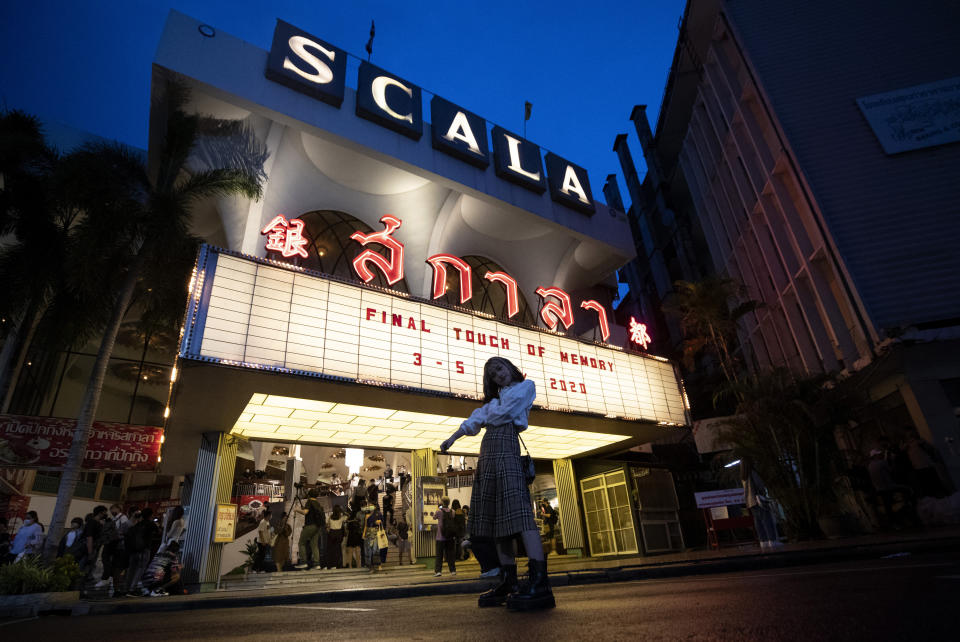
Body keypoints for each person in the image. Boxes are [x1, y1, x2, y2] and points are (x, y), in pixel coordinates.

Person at [440, 356, 554, 610]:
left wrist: (485, 415)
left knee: (520, 514)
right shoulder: (494, 401)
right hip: (489, 449)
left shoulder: (526, 386)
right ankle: (509, 581)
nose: (497, 375)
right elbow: (474, 421)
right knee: (496, 520)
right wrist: (452, 438)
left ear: (510, 367)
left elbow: (502, 412)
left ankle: (540, 581)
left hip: (506, 444)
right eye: (492, 374)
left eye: (499, 368)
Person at [740, 459, 780, 549]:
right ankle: (772, 540)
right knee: (766, 520)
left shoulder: (743, 476)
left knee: (758, 522)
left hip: (750, 502)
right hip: (758, 500)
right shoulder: (752, 472)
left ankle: (763, 541)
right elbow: (760, 485)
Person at [125, 508, 159, 597]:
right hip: (144, 550)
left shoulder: (137, 524)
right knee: (140, 569)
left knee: (131, 569)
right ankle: (132, 589)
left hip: (134, 550)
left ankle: (126, 588)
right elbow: (159, 532)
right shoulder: (151, 524)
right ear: (151, 515)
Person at [295, 489, 325, 569]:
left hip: (309, 526)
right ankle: (317, 564)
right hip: (317, 527)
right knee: (314, 545)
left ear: (309, 495)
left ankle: (303, 562)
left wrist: (297, 509)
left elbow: (305, 512)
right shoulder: (317, 503)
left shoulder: (309, 501)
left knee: (301, 543)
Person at [361, 501, 383, 573]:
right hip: (368, 534)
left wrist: (377, 522)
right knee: (369, 550)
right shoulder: (367, 515)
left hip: (376, 533)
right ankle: (371, 566)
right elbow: (365, 526)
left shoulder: (378, 514)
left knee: (376, 549)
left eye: (371, 505)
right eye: (369, 505)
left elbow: (381, 522)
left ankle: (378, 564)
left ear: (375, 506)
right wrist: (363, 534)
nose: (369, 506)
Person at [325, 504, 345, 569]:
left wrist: (328, 530)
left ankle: (332, 565)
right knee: (338, 550)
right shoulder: (341, 517)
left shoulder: (330, 517)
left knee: (331, 550)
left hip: (332, 533)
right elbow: (348, 516)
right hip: (339, 534)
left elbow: (327, 525)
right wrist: (343, 511)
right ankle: (339, 565)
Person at [253, 507, 273, 573]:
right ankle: (256, 569)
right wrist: (263, 541)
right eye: (270, 515)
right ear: (268, 515)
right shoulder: (263, 522)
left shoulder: (267, 522)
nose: (271, 516)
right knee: (260, 556)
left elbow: (268, 530)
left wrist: (270, 539)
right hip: (261, 542)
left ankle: (259, 569)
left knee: (262, 556)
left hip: (265, 542)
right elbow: (260, 532)